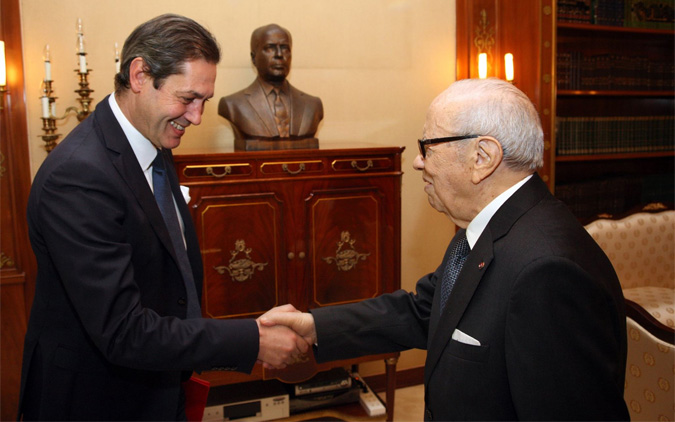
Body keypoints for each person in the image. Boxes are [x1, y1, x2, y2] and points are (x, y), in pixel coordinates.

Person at [262, 78, 630, 421]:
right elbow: (425, 311)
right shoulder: (488, 226)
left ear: (482, 157)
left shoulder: (548, 272)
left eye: (429, 146)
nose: (419, 160)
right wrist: (313, 326)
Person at [19, 14, 307, 421]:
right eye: (187, 98)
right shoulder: (78, 176)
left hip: (158, 384)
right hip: (97, 399)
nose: (197, 117)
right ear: (140, 74)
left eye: (204, 100)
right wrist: (251, 340)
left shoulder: (153, 141)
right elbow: (123, 331)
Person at [218, 23, 323, 149]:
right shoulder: (232, 105)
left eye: (285, 48)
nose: (279, 54)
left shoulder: (312, 105)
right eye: (270, 48)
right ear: (253, 57)